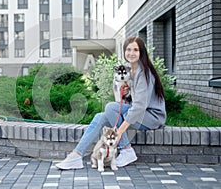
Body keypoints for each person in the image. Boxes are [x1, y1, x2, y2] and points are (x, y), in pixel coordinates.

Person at [56, 36, 166, 170]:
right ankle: (76, 155)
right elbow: (124, 99)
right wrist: (126, 92)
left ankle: (126, 149)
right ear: (124, 51)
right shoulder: (126, 69)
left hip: (151, 116)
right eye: (128, 49)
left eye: (135, 50)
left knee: (110, 108)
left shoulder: (144, 73)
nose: (131, 53)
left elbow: (140, 106)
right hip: (140, 112)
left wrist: (119, 132)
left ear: (141, 52)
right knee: (100, 117)